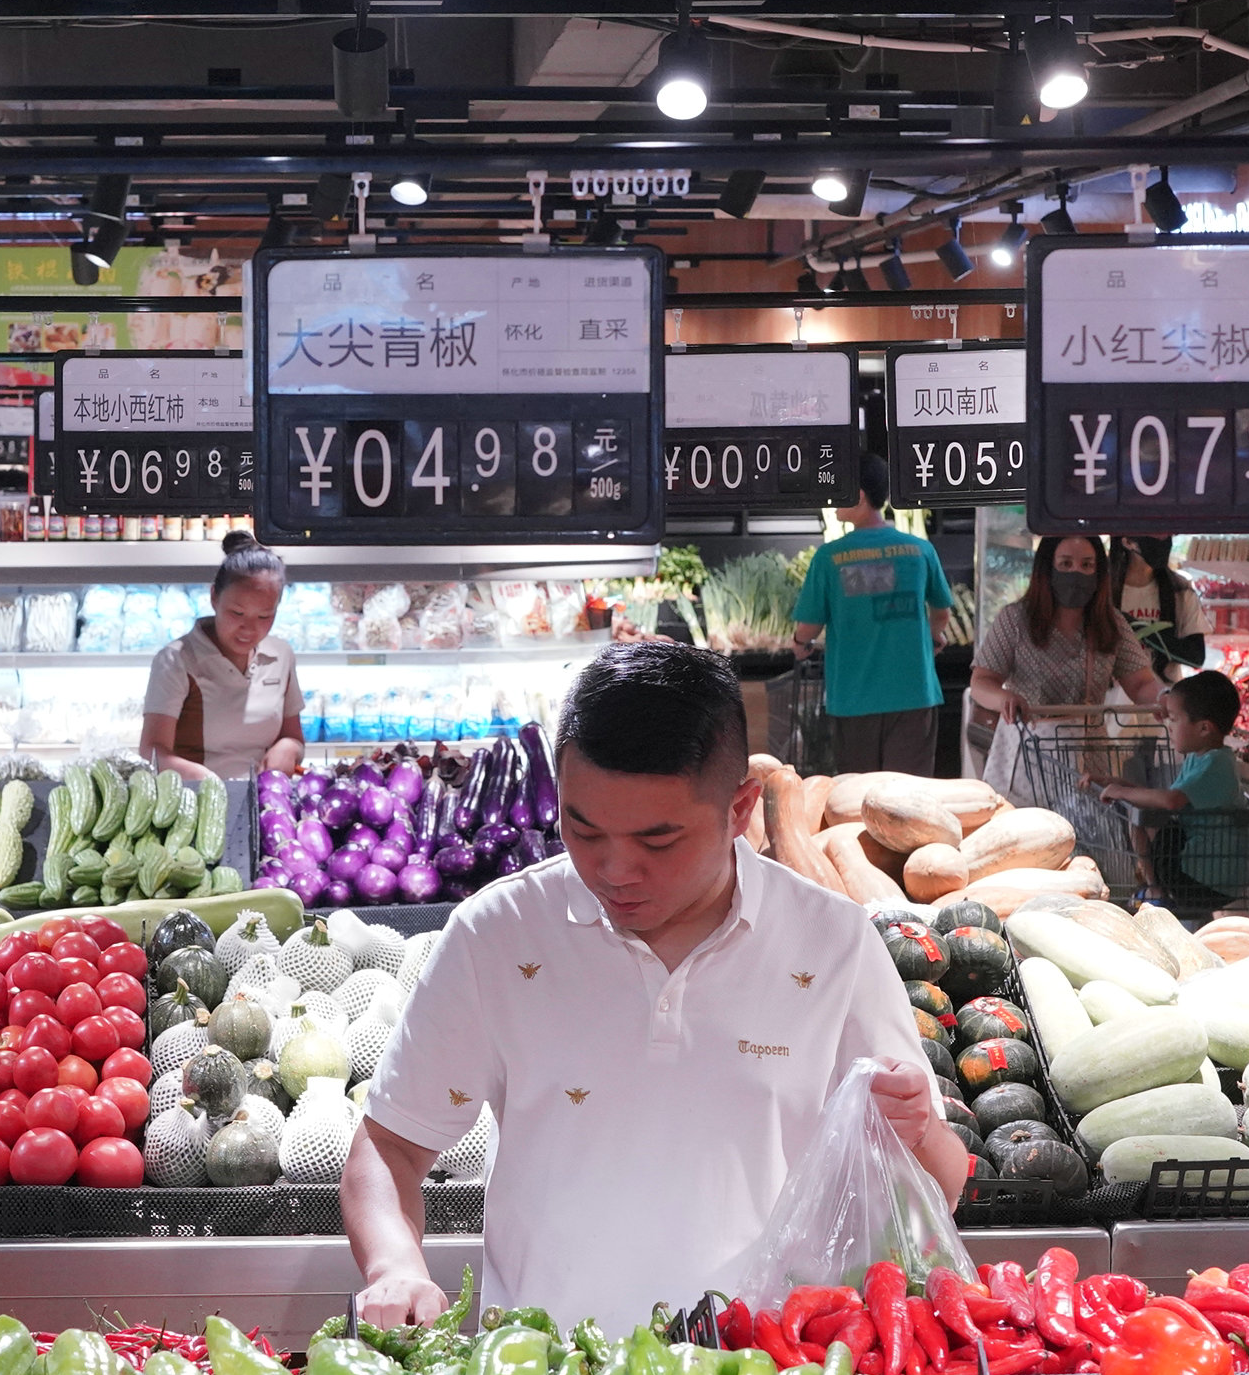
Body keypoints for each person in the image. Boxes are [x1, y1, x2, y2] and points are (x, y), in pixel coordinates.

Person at [341, 639, 974, 1329]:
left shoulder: (832, 944)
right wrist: (394, 1266)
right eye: (583, 830)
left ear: (740, 811)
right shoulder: (496, 934)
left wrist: (914, 1132)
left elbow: (939, 1186)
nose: (615, 869)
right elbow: (392, 1142)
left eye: (657, 841)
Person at [788, 455, 956, 775]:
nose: (830, 496)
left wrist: (799, 643)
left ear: (860, 496)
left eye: (837, 489)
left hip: (854, 699)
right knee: (909, 798)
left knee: (858, 797)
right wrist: (935, 636)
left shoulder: (829, 558)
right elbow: (942, 612)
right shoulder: (920, 550)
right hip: (914, 694)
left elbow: (808, 627)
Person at [966, 534, 1160, 763]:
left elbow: (1140, 683)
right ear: (1047, 569)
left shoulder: (1111, 623)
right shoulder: (1015, 620)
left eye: (1087, 565)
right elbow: (982, 681)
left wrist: (1165, 699)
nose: (1076, 573)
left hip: (1090, 762)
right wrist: (1004, 699)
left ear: (1099, 573)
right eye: (1065, 564)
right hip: (1029, 757)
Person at [142, 532, 308, 782]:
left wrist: (289, 747)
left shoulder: (281, 655)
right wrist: (203, 780)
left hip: (265, 802)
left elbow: (294, 737)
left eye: (264, 616)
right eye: (237, 612)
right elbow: (151, 751)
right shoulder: (177, 661)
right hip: (197, 804)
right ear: (214, 597)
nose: (249, 628)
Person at [1087, 669, 1249, 909]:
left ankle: (1156, 889)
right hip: (1195, 866)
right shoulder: (1200, 757)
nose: (1169, 725)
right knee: (1144, 811)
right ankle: (1155, 887)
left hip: (1207, 878)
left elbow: (1171, 801)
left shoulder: (1216, 763)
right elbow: (1165, 799)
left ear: (1204, 728)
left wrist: (1122, 792)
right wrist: (1117, 784)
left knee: (1146, 814)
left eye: (1174, 719)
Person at [1111, 537, 1209, 679]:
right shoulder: (1104, 591)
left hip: (1163, 696)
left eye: (1167, 534)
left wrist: (1142, 631)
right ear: (1128, 542)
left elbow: (1196, 656)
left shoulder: (1180, 590)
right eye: (1155, 532)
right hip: (1115, 698)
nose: (1163, 539)